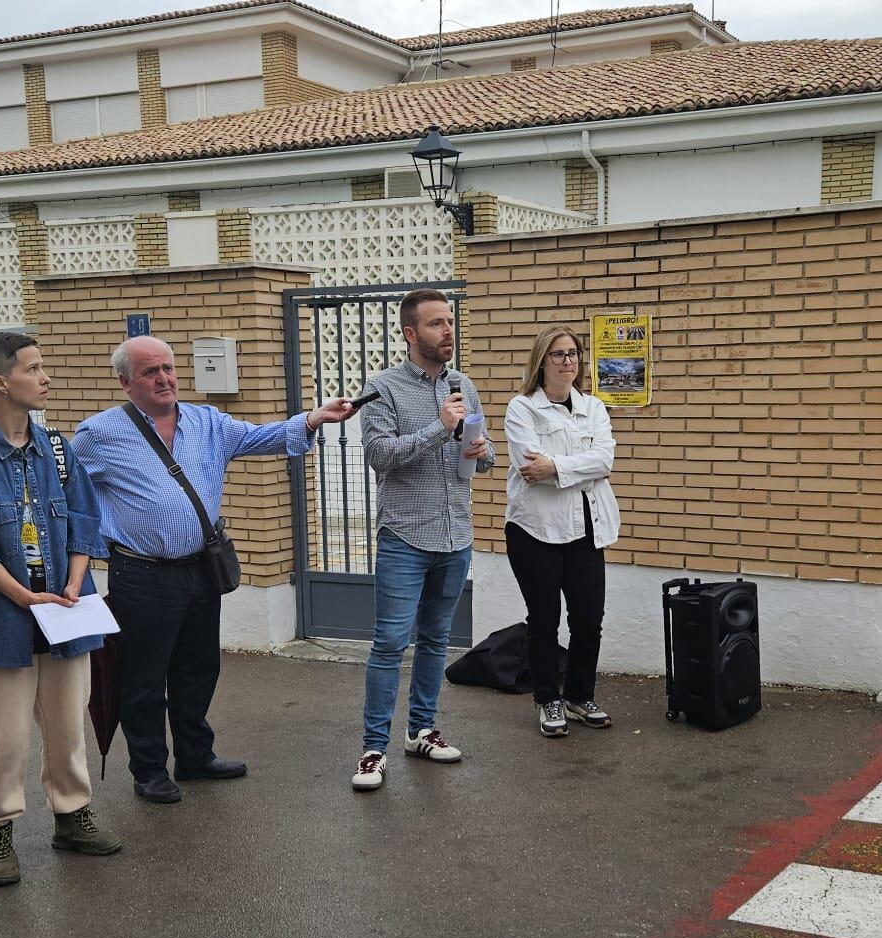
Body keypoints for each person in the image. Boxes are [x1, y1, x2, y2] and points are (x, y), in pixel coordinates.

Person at [70, 335, 355, 805]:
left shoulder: (206, 421)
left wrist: (313, 418)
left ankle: (195, 756)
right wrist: (94, 537)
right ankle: (149, 770)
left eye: (168, 367)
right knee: (143, 678)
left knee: (198, 668)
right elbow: (66, 492)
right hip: (141, 576)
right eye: (150, 372)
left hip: (199, 570)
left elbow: (260, 438)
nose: (164, 378)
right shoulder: (99, 434)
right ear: (125, 382)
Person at [0, 331, 121, 888]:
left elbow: (86, 519)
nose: (46, 378)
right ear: (1, 383)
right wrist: (24, 596)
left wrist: (74, 578)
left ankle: (72, 817)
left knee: (67, 727)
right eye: (34, 369)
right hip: (0, 617)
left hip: (66, 608)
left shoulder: (58, 450)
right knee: (4, 736)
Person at [352, 289, 495, 792]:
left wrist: (479, 449)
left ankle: (422, 731)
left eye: (450, 321)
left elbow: (487, 455)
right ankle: (373, 748)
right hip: (406, 536)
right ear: (410, 334)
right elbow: (381, 455)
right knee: (391, 642)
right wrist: (440, 429)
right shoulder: (383, 388)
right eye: (436, 324)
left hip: (456, 533)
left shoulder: (463, 384)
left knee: (436, 641)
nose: (448, 331)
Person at [502, 325, 620, 738]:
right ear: (541, 361)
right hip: (535, 529)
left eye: (573, 354)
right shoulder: (522, 409)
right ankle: (547, 699)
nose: (568, 362)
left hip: (587, 526)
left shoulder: (594, 407)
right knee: (545, 617)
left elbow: (605, 460)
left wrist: (558, 467)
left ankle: (578, 696)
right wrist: (576, 468)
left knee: (589, 617)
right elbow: (528, 467)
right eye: (558, 355)